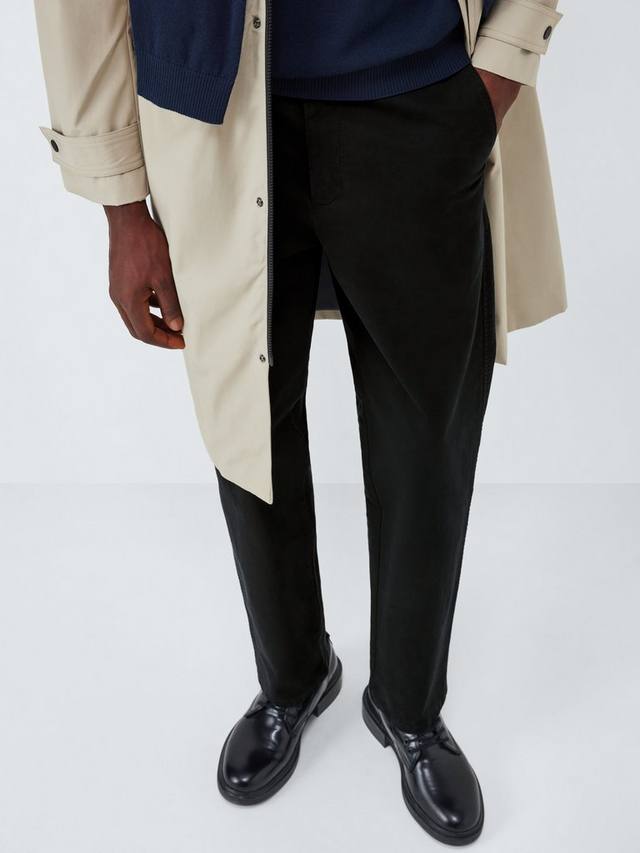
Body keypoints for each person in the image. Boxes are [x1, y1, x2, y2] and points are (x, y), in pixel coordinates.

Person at [34, 0, 565, 844]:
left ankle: (410, 705)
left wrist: (498, 67)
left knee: (427, 429)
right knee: (248, 415)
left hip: (420, 93)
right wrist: (121, 204)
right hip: (211, 112)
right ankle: (292, 677)